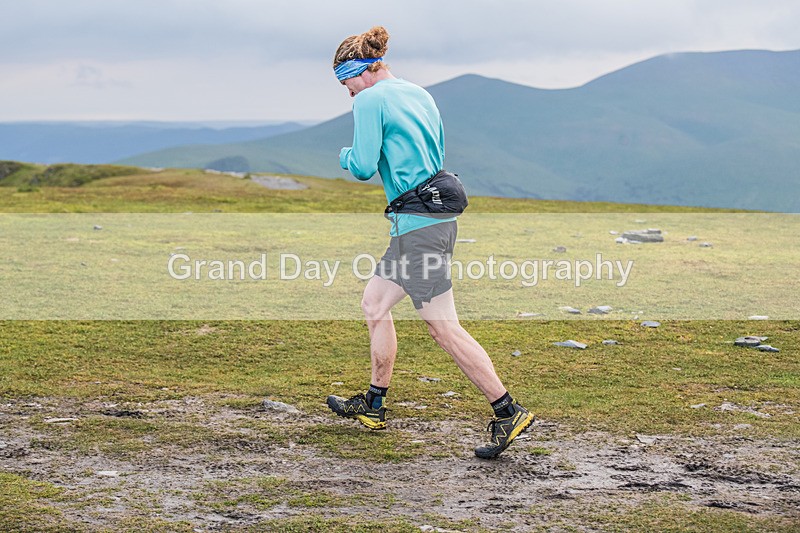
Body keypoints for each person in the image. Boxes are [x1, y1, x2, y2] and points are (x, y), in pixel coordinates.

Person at [325, 26, 534, 459]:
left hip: (416, 227)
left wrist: (345, 156)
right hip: (432, 218)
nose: (347, 93)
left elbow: (363, 166)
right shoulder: (418, 92)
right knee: (375, 304)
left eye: (345, 82)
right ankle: (374, 403)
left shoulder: (369, 100)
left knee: (443, 327)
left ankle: (507, 410)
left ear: (361, 72)